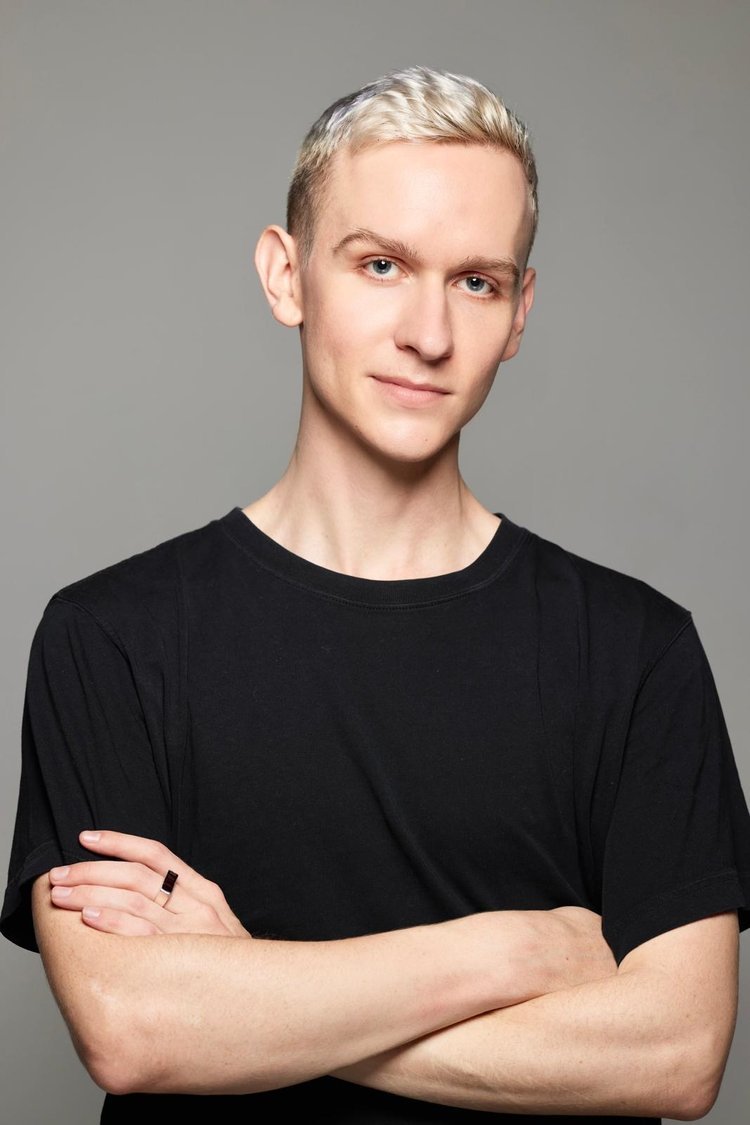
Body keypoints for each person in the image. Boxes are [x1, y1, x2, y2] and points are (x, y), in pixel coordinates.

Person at [2, 65, 750, 1124]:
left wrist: (250, 985)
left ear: (520, 311)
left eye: (477, 281)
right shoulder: (111, 640)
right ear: (287, 275)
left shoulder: (634, 650)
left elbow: (674, 1055)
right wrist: (514, 949)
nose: (430, 333)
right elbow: (135, 1030)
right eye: (382, 265)